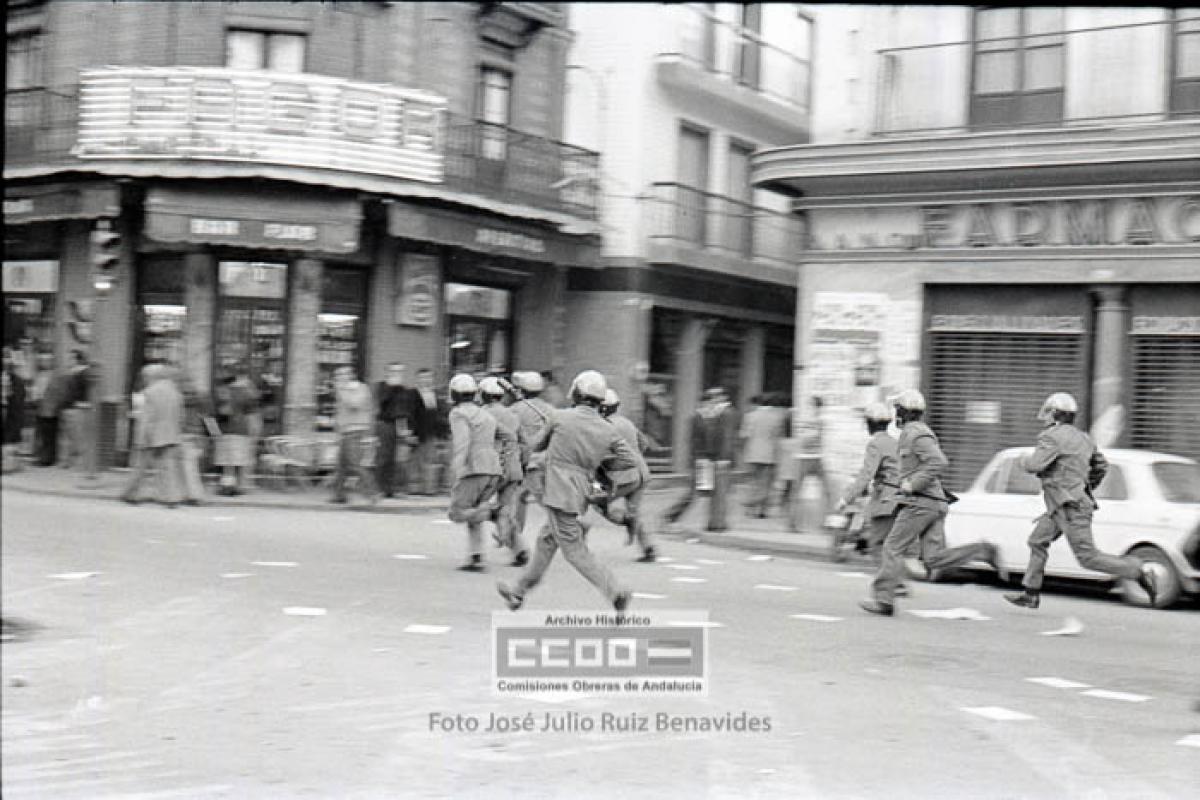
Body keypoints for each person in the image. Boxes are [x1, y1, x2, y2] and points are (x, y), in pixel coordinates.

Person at [497, 371, 638, 612]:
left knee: (574, 551)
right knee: (546, 541)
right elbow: (628, 459)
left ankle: (615, 592)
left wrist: (549, 431)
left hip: (559, 491)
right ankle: (517, 592)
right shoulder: (607, 429)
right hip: (581, 491)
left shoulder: (560, 416)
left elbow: (535, 446)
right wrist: (598, 463)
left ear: (577, 393)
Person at [860, 389, 1007, 617]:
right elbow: (919, 467)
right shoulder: (913, 433)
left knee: (891, 547)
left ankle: (884, 600)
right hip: (932, 503)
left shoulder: (915, 433)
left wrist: (912, 484)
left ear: (905, 412)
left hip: (921, 504)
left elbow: (938, 462)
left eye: (898, 410)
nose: (896, 414)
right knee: (933, 558)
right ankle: (982, 551)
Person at [1004, 392, 1158, 610]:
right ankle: (1031, 593)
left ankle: (1138, 571)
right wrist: (1083, 488)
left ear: (1055, 414)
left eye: (1048, 412)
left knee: (1087, 558)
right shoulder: (1084, 438)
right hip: (1062, 505)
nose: (1045, 416)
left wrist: (1022, 460)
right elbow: (1101, 466)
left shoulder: (1051, 437)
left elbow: (1035, 465)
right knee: (1037, 540)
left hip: (1070, 508)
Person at [447, 374, 510, 572]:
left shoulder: (458, 414)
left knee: (457, 512)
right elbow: (507, 434)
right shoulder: (485, 414)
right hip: (493, 468)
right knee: (474, 511)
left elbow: (462, 443)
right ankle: (476, 556)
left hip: (473, 468)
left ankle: (494, 513)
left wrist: (456, 468)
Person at [661, 387, 739, 533]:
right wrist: (700, 458)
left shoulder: (716, 416)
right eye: (713, 400)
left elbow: (721, 438)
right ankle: (670, 516)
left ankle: (715, 523)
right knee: (697, 492)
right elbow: (695, 441)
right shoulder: (699, 418)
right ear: (707, 402)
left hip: (711, 460)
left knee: (714, 492)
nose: (716, 403)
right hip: (703, 461)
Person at [597, 389, 656, 562]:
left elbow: (598, 453)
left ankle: (624, 520)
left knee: (596, 502)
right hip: (642, 473)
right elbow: (644, 443)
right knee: (634, 510)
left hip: (622, 476)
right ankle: (648, 549)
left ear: (603, 408)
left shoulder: (605, 425)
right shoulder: (627, 422)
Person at [836, 402, 900, 560]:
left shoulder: (875, 444)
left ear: (870, 424)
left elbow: (866, 474)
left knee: (877, 544)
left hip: (886, 500)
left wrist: (846, 499)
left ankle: (890, 576)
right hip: (901, 498)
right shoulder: (894, 442)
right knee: (891, 544)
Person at [479, 377, 528, 566]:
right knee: (505, 509)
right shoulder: (512, 415)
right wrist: (522, 464)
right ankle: (519, 549)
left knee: (474, 506)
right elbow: (524, 443)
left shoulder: (481, 414)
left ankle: (476, 553)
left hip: (490, 468)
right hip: (513, 468)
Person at [121, 364, 183, 507]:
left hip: (151, 434)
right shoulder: (175, 392)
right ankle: (171, 497)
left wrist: (140, 437)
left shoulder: (148, 393)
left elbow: (146, 417)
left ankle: (131, 494)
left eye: (145, 376)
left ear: (150, 376)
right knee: (168, 467)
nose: (144, 379)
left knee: (140, 466)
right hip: (170, 434)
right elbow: (180, 416)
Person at [510, 371, 556, 542]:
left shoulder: (516, 409)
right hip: (548, 459)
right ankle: (514, 534)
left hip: (530, 462)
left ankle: (572, 525)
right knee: (521, 496)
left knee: (541, 499)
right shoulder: (550, 409)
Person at [329, 365, 379, 505]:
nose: (339, 378)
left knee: (355, 464)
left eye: (342, 374)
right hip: (345, 431)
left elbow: (354, 404)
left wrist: (342, 390)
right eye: (337, 375)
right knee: (341, 465)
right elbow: (341, 412)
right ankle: (339, 495)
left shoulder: (360, 388)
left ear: (351, 375)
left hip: (356, 431)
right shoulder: (344, 390)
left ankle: (372, 493)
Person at [213, 365, 260, 495]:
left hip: (224, 430)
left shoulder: (223, 392)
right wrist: (254, 432)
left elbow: (214, 413)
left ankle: (226, 486)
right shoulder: (247, 393)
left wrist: (214, 432)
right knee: (238, 460)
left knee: (227, 462)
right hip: (241, 430)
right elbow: (252, 415)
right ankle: (239, 486)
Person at [375, 362, 417, 498]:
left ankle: (392, 489)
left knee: (398, 459)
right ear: (387, 372)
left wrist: (409, 428)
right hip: (386, 424)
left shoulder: (404, 390)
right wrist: (391, 386)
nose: (397, 374)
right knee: (383, 457)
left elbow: (408, 410)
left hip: (400, 425)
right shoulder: (382, 387)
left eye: (400, 371)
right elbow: (382, 402)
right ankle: (379, 488)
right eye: (394, 371)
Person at [740, 393, 785, 518]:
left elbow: (744, 435)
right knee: (766, 483)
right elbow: (777, 436)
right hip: (769, 454)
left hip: (752, 453)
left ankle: (751, 509)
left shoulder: (750, 416)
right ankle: (762, 510)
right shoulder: (777, 417)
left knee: (752, 481)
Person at [411, 367, 446, 495]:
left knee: (432, 461)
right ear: (417, 379)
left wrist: (442, 434)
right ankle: (416, 489)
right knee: (416, 462)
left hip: (433, 434)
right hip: (418, 432)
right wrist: (411, 433)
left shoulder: (436, 395)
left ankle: (430, 489)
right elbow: (410, 415)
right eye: (423, 377)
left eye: (428, 377)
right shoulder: (412, 395)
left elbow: (440, 415)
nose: (426, 380)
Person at [30, 352, 65, 466]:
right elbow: (36, 391)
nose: (43, 362)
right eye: (42, 360)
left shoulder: (56, 377)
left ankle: (47, 459)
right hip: (40, 408)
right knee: (42, 435)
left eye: (46, 360)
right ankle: (41, 456)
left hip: (51, 410)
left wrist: (55, 406)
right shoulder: (39, 375)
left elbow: (59, 393)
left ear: (51, 362)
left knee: (49, 436)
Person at [2, 348, 27, 473]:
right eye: (4, 358)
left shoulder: (17, 380)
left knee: (10, 436)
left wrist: (10, 395)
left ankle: (9, 464)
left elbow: (20, 396)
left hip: (12, 410)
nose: (5, 361)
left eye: (7, 358)